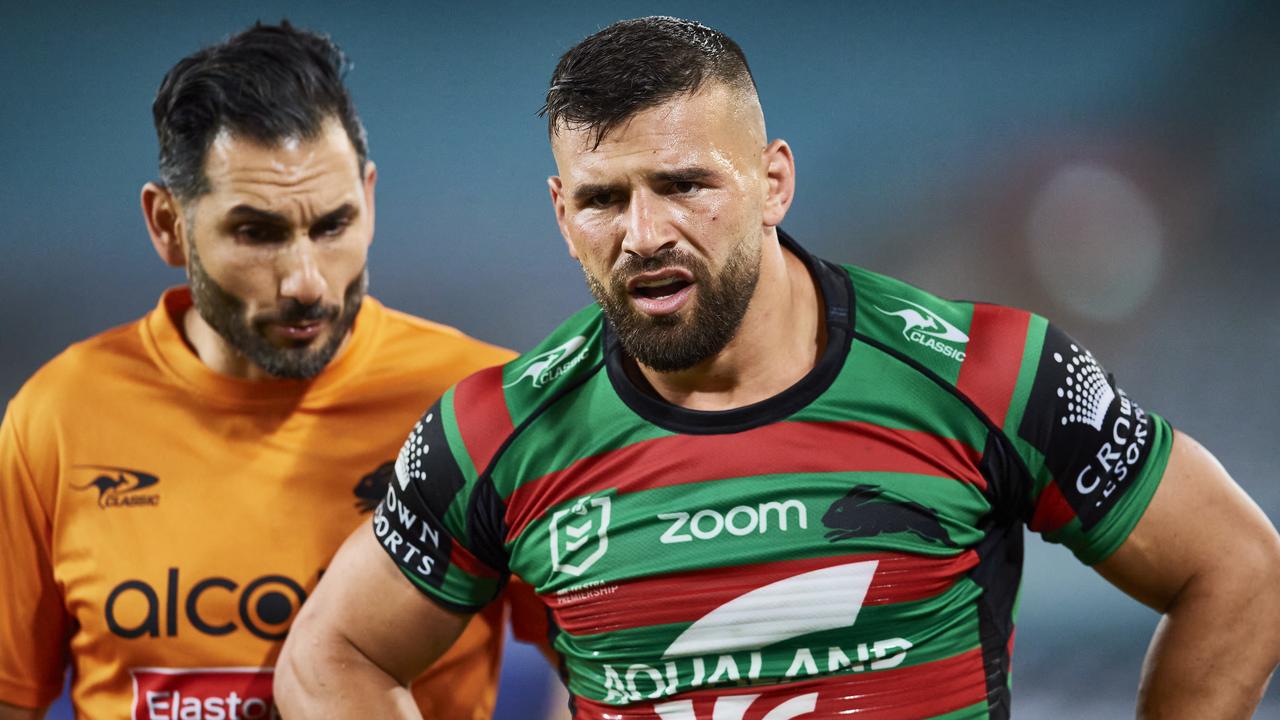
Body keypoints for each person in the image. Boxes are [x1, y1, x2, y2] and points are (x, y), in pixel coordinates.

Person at [275, 16, 1280, 719]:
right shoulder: (493, 433)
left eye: (683, 184)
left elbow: (1237, 568)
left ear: (772, 182)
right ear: (558, 212)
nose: (644, 232)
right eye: (602, 199)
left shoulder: (986, 373)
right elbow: (330, 654)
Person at [0, 22, 518, 720]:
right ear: (167, 226)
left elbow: (601, 670)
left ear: (369, 198)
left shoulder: (481, 408)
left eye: (333, 225)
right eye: (257, 232)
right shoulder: (57, 417)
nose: (306, 281)